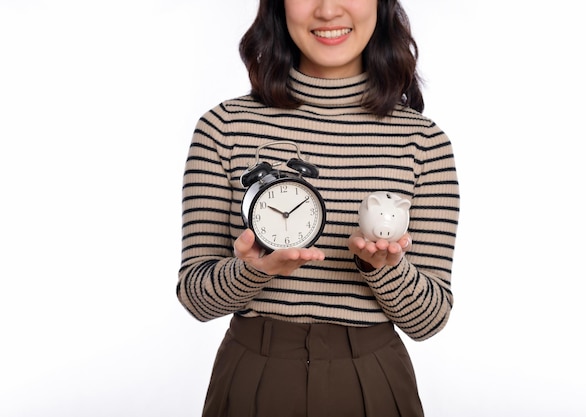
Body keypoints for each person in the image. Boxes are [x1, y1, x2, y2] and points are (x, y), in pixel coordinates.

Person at [177, 0, 460, 416]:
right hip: (253, 376)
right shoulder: (224, 128)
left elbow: (429, 320)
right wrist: (251, 273)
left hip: (374, 380)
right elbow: (195, 296)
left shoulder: (422, 142)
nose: (328, 10)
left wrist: (382, 269)